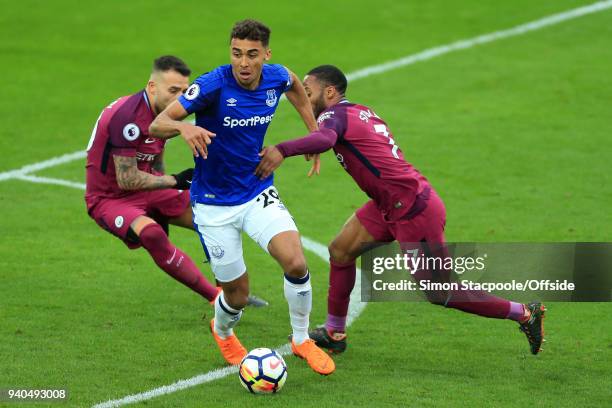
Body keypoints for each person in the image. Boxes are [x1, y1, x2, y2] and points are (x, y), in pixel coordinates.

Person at [256, 64, 546, 356]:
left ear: (329, 92)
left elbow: (327, 138)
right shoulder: (359, 111)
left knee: (440, 292)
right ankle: (334, 332)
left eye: (308, 92)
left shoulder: (334, 115)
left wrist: (282, 148)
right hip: (389, 204)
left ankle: (524, 313)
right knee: (340, 251)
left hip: (412, 209)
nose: (304, 99)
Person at [149, 20, 334, 375]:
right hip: (213, 203)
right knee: (236, 295)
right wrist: (184, 126)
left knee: (296, 262)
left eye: (252, 55)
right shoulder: (212, 85)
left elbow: (294, 84)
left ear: (266, 54)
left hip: (255, 190)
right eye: (236, 54)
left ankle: (301, 340)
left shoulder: (275, 76)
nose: (243, 63)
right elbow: (157, 124)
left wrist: (314, 132)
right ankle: (222, 330)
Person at [85, 55, 267, 311]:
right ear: (152, 87)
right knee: (152, 234)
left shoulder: (166, 115)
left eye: (184, 91)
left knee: (211, 217)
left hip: (146, 188)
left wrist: (163, 194)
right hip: (109, 198)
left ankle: (231, 292)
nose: (179, 98)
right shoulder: (128, 118)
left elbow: (154, 160)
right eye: (173, 90)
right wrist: (174, 181)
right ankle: (217, 299)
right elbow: (126, 180)